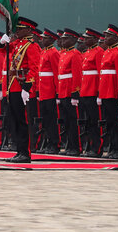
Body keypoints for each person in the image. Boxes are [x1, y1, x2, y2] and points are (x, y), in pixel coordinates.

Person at [4, 17, 41, 163]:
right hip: (13, 85)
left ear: (28, 30)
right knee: (15, 120)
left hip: (22, 86)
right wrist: (2, 42)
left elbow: (34, 67)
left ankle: (25, 153)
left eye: (20, 29)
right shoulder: (19, 44)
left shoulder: (31, 46)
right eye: (16, 29)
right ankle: (19, 150)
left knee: (22, 120)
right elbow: (5, 50)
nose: (17, 31)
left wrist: (27, 87)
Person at [99, 24, 118, 159]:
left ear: (116, 37)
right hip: (105, 92)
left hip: (113, 92)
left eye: (108, 36)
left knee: (116, 122)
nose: (105, 38)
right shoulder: (107, 52)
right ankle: (112, 148)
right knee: (109, 122)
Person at [57, 28, 83, 156]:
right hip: (62, 91)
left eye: (66, 38)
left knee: (73, 121)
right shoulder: (63, 54)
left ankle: (75, 147)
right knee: (66, 121)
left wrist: (75, 93)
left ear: (73, 40)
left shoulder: (75, 54)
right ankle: (69, 145)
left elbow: (77, 75)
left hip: (70, 91)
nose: (63, 41)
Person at [79, 28, 104, 157]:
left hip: (93, 91)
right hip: (85, 91)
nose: (85, 40)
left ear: (95, 39)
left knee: (95, 122)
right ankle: (89, 147)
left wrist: (99, 92)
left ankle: (97, 148)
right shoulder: (87, 52)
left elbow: (100, 73)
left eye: (88, 38)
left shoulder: (99, 52)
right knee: (88, 122)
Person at [37, 29, 60, 154]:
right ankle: (47, 143)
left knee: (51, 119)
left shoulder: (53, 53)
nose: (42, 40)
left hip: (50, 91)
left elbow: (57, 74)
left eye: (45, 38)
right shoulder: (43, 52)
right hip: (43, 92)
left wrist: (57, 92)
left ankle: (54, 144)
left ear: (51, 40)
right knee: (45, 120)